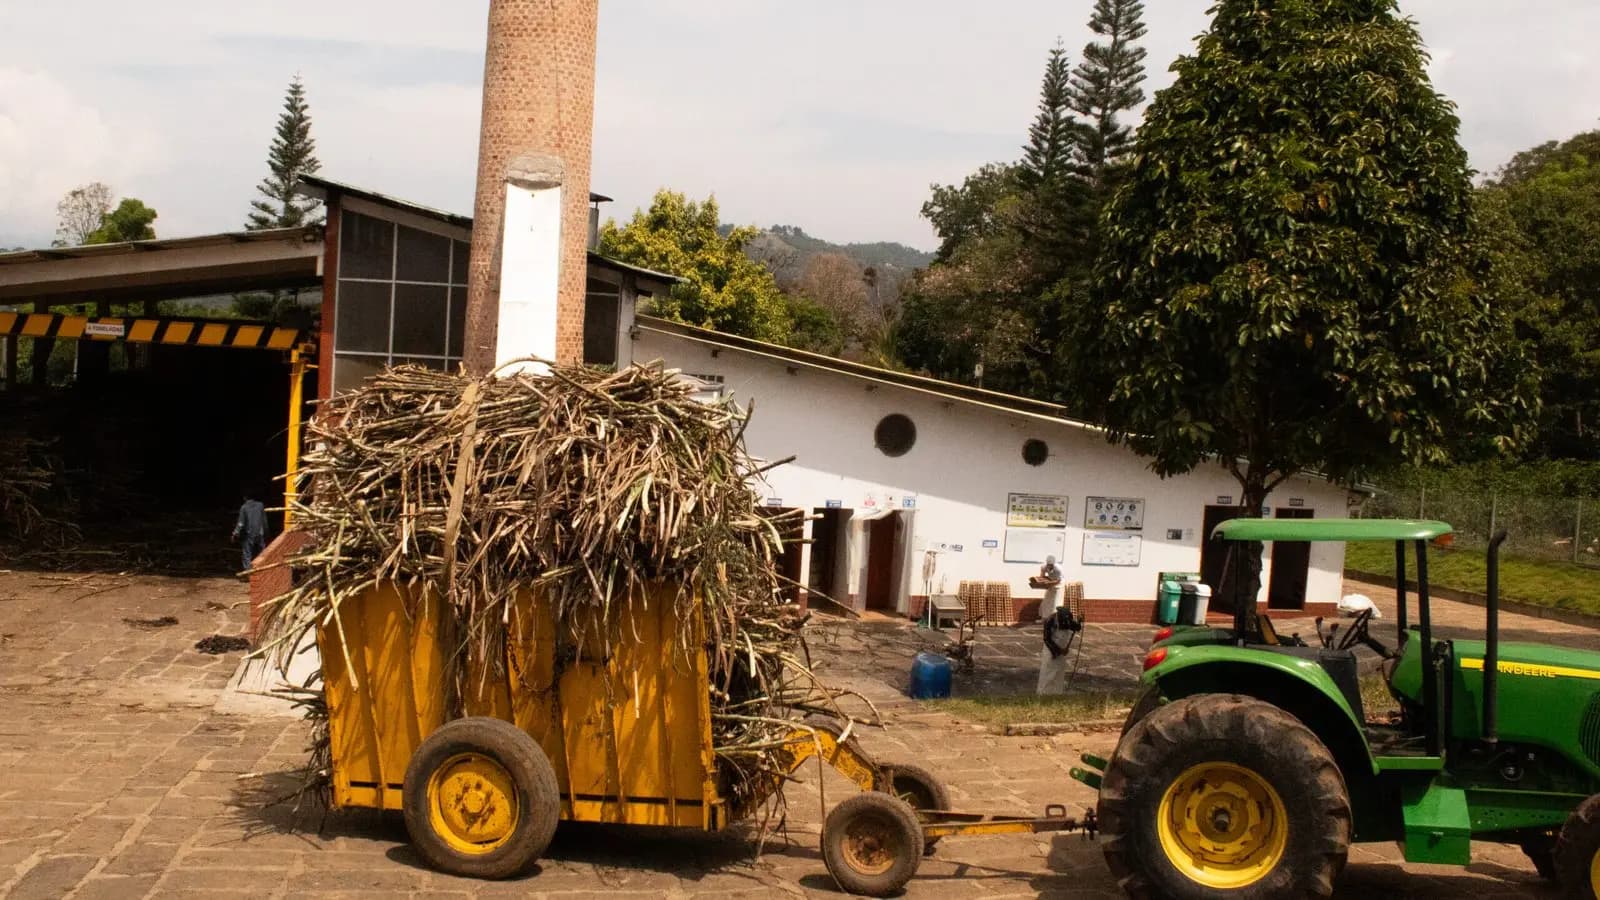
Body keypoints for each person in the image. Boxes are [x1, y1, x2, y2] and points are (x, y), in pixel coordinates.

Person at [1034, 556, 1068, 695]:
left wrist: (1050, 583)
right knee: (1047, 602)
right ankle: (1045, 616)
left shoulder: (1058, 569)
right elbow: (1042, 577)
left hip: (1057, 585)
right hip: (1050, 585)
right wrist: (1043, 582)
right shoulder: (1043, 567)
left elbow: (1058, 581)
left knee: (1054, 603)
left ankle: (1053, 614)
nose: (1049, 567)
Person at [232, 491, 268, 576]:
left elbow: (241, 523)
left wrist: (235, 534)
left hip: (249, 535)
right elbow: (264, 520)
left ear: (245, 498)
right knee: (262, 553)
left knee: (247, 554)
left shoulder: (244, 507)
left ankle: (249, 574)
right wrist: (266, 532)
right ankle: (263, 571)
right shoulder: (260, 505)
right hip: (260, 534)